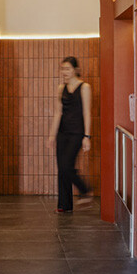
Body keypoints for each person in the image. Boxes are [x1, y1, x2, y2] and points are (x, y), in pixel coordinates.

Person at [48, 55, 92, 213]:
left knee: (67, 166)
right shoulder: (61, 88)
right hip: (62, 133)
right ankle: (64, 205)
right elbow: (58, 113)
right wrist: (52, 135)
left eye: (67, 69)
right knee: (62, 169)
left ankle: (85, 190)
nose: (64, 72)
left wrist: (87, 137)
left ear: (75, 70)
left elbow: (87, 113)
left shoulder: (85, 87)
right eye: (62, 69)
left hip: (77, 133)